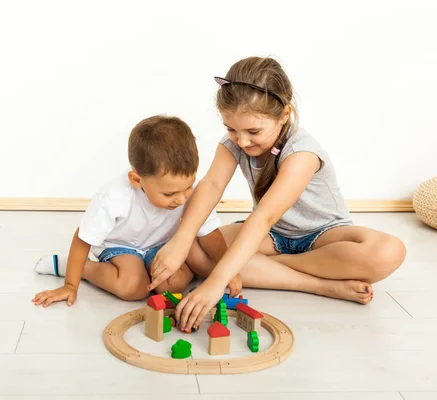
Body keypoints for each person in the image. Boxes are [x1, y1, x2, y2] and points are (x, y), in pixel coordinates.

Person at [148, 56, 407, 332]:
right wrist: (181, 239)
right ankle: (319, 284)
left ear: (284, 115)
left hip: (323, 236)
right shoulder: (233, 143)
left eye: (253, 131)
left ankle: (272, 267)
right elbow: (211, 186)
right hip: (272, 238)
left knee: (389, 251)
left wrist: (216, 281)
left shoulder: (301, 152)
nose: (242, 140)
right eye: (231, 129)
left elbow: (265, 216)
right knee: (197, 249)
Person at [32, 115, 241, 309]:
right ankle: (83, 269)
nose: (180, 199)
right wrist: (70, 285)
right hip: (121, 247)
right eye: (169, 193)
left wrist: (227, 269)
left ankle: (152, 272)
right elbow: (83, 238)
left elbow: (210, 232)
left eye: (188, 187)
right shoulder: (114, 197)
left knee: (173, 286)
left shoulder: (189, 195)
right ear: (137, 180)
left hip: (160, 246)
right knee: (133, 288)